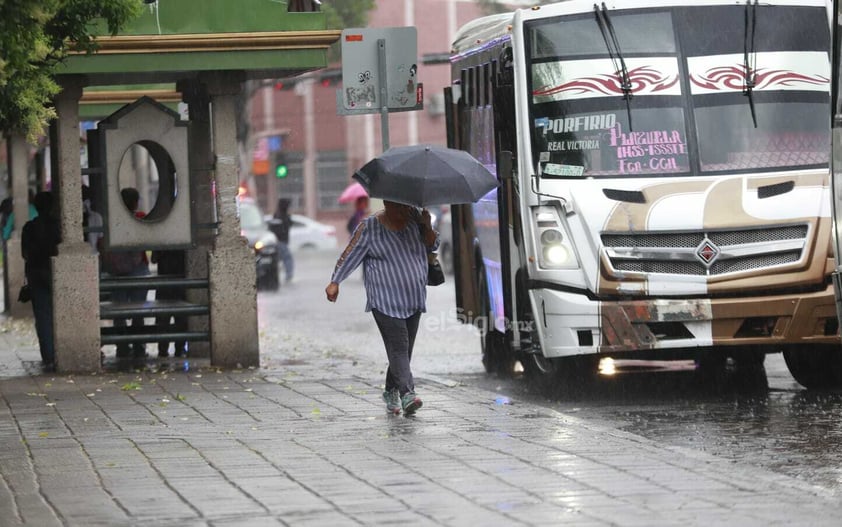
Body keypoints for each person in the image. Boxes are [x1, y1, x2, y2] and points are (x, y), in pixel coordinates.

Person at [325, 200, 438, 416]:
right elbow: (350, 255)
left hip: (413, 298)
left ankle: (390, 391)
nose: (404, 212)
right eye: (399, 208)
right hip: (384, 300)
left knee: (404, 350)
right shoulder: (369, 227)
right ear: (387, 204)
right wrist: (335, 281)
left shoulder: (416, 219)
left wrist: (427, 225)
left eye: (407, 207)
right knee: (398, 346)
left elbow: (432, 245)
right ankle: (408, 394)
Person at [100, 188, 150, 359]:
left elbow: (102, 243)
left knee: (118, 312)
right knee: (139, 312)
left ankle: (122, 346)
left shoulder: (112, 221)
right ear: (136, 202)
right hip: (138, 271)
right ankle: (139, 348)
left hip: (117, 272)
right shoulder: (141, 218)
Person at [21, 191, 61, 371]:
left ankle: (48, 356)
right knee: (59, 314)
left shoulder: (29, 228)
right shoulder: (59, 227)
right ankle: (62, 352)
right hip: (56, 272)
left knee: (43, 316)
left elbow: (24, 254)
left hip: (36, 273)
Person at [151, 249, 187, 358]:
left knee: (163, 321)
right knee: (180, 320)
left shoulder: (161, 243)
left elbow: (153, 259)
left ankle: (163, 350)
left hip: (164, 284)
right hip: (180, 283)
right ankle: (179, 350)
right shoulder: (183, 241)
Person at [269, 198, 294, 283]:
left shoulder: (281, 215)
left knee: (279, 259)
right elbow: (283, 227)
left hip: (281, 241)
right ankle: (288, 276)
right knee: (287, 258)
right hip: (280, 242)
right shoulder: (280, 216)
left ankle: (277, 276)